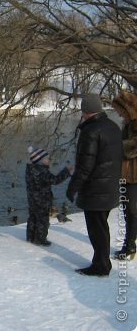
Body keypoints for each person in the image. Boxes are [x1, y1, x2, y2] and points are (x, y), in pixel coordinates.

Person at [66, 93, 123, 276]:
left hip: (95, 190)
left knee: (96, 230)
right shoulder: (113, 127)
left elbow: (85, 166)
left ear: (85, 112)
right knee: (102, 227)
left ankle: (101, 266)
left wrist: (72, 187)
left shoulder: (90, 132)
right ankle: (102, 262)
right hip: (110, 187)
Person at [25, 146, 72, 246]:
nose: (49, 160)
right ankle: (40, 239)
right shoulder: (42, 171)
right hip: (42, 200)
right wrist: (66, 171)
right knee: (43, 220)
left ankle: (30, 237)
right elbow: (55, 180)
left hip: (32, 199)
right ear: (40, 161)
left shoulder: (30, 170)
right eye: (46, 158)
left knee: (33, 217)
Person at [111, 91, 137, 260]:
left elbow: (134, 145)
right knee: (129, 210)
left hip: (133, 175)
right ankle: (129, 244)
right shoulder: (129, 123)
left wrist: (116, 147)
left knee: (132, 210)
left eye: (120, 110)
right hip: (128, 174)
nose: (119, 113)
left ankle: (129, 246)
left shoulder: (135, 123)